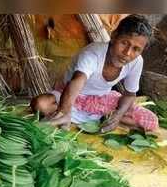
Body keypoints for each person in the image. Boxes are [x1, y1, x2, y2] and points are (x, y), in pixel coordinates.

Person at [30, 14, 159, 133]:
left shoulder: (136, 62)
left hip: (102, 101)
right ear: (114, 36)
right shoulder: (93, 54)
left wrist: (117, 115)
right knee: (41, 104)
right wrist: (65, 111)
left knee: (150, 121)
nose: (127, 53)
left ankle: (105, 118)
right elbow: (77, 81)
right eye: (124, 43)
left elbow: (130, 94)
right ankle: (75, 117)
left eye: (136, 49)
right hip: (71, 98)